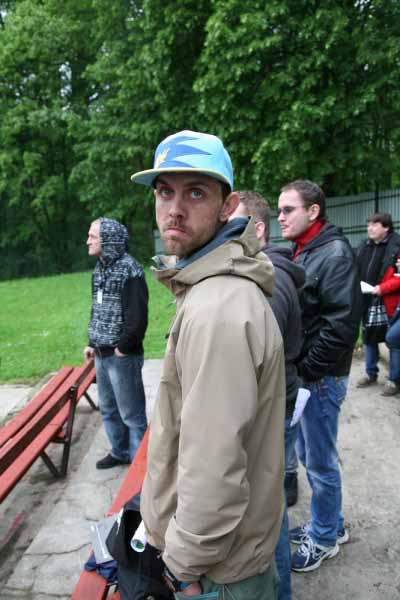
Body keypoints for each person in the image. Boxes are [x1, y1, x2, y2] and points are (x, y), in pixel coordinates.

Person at [131, 130, 286, 599]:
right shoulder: (209, 287)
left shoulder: (218, 306)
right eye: (165, 192)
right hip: (226, 558)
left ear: (227, 207)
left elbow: (215, 463)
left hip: (217, 572)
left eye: (195, 193)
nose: (174, 209)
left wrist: (183, 567)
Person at [277, 179, 362, 573]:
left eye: (288, 209)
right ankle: (331, 523)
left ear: (313, 211)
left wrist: (307, 373)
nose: (280, 217)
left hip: (321, 378)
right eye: (279, 210)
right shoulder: (305, 248)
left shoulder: (334, 254)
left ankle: (325, 538)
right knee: (312, 456)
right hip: (310, 376)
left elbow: (341, 327)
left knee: (320, 463)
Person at [231, 191, 305, 600]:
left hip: (270, 411)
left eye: (234, 223)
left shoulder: (267, 283)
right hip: (279, 404)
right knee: (270, 503)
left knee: (266, 511)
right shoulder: (265, 273)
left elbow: (258, 364)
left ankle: (280, 592)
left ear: (257, 229)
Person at [84, 217, 148, 469]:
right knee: (109, 409)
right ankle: (120, 452)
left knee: (131, 414)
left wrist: (123, 348)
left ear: (109, 240)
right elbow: (98, 309)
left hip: (122, 356)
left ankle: (139, 466)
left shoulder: (130, 270)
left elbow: (137, 317)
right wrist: (92, 342)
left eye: (92, 236)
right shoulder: (100, 268)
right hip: (101, 353)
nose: (87, 240)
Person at [356, 213, 400, 395]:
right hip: (368, 298)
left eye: (375, 225)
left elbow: (399, 277)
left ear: (386, 228)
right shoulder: (364, 245)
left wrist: (382, 288)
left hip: (390, 301)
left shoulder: (397, 246)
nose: (370, 228)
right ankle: (370, 373)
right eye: (369, 225)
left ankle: (394, 380)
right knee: (369, 336)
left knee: (393, 339)